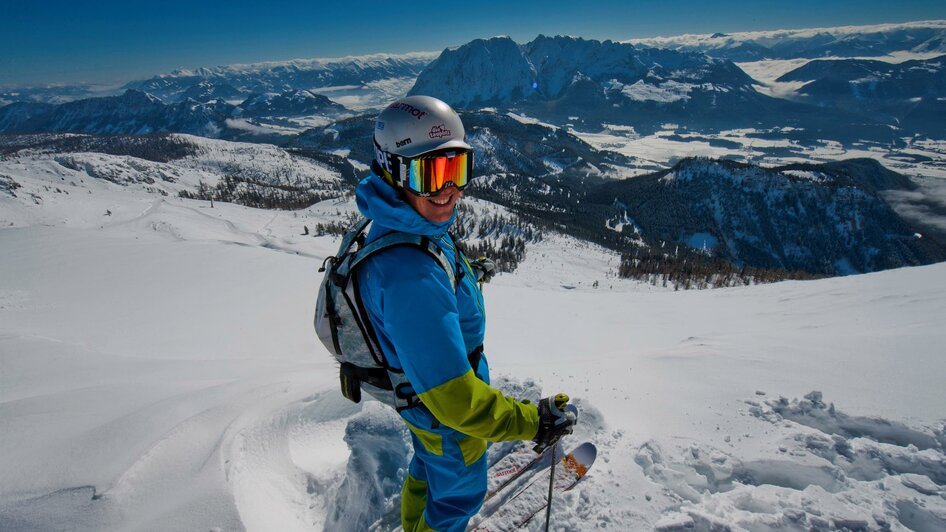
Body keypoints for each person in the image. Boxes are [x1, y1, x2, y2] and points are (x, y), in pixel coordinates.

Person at [353, 95, 576, 532]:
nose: (450, 189)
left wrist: (461, 276)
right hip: (446, 412)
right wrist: (532, 421)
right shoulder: (410, 275)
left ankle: (415, 521)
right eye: (433, 173)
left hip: (421, 401)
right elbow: (457, 403)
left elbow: (420, 287)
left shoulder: (403, 224)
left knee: (431, 463)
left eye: (457, 169)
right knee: (460, 495)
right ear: (393, 171)